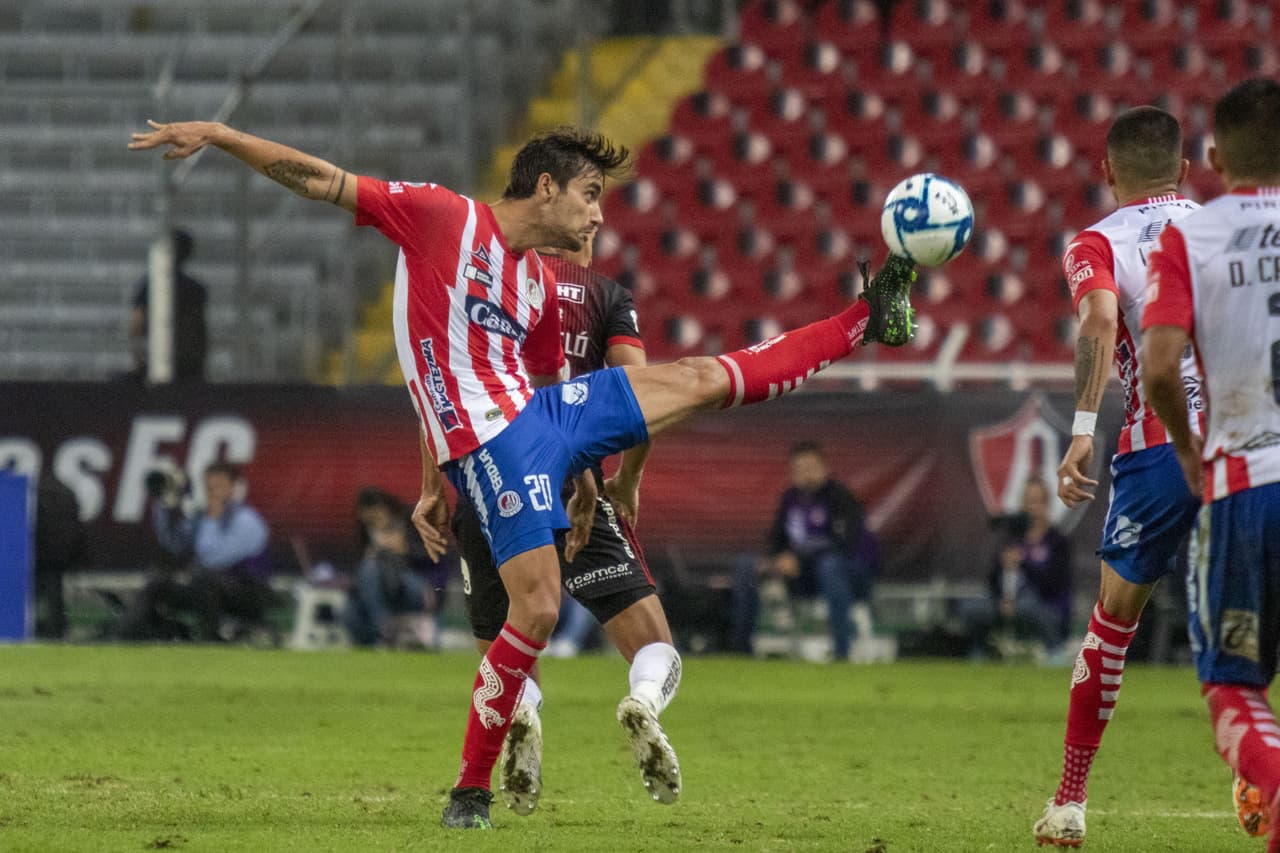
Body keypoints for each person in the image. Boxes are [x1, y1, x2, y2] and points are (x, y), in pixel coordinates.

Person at [127, 120, 917, 829]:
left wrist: (579, 474)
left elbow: (532, 380)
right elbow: (320, 176)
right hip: (487, 444)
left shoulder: (535, 285)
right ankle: (469, 788)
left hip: (542, 423)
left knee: (702, 378)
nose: (598, 215)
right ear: (545, 188)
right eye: (589, 195)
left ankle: (863, 318)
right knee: (536, 607)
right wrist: (226, 137)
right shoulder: (440, 217)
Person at [449, 235, 678, 816]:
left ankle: (523, 710)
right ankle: (644, 704)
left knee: (509, 648)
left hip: (491, 483)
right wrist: (627, 478)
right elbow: (639, 392)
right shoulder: (605, 296)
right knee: (654, 645)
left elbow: (443, 393)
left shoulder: (482, 287)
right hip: (577, 486)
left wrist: (432, 488)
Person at [1033, 106, 1209, 847]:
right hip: (1251, 443)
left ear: (1106, 172)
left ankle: (1070, 801)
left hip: (1159, 448)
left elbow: (1100, 321)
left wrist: (1079, 432)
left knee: (1112, 624)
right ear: (1189, 169)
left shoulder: (1096, 242)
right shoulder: (1231, 223)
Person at [1141, 77, 1280, 853]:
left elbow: (1162, 368)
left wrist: (1190, 454)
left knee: (1233, 683)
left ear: (1218, 158)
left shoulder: (1189, 238)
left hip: (1247, 487)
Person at [730, 440, 876, 661]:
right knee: (746, 564)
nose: (806, 474)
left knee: (829, 566)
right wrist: (775, 559)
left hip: (845, 576)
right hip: (800, 578)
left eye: (812, 468)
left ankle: (842, 651)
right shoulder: (790, 498)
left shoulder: (840, 496)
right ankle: (740, 649)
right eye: (800, 470)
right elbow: (776, 540)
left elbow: (844, 543)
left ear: (824, 468)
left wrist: (799, 558)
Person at [117, 461, 273, 642]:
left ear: (234, 488)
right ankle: (123, 635)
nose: (212, 492)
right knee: (157, 584)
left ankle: (209, 640)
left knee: (206, 582)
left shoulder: (247, 520)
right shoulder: (202, 518)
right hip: (206, 589)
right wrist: (165, 506)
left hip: (247, 592)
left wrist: (212, 518)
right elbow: (174, 543)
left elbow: (214, 560)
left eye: (218, 487)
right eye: (209, 487)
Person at [962, 476, 1072, 662]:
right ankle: (980, 651)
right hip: (1007, 604)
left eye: (1036, 501)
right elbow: (993, 582)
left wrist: (1025, 564)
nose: (1032, 507)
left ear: (1047, 504)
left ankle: (1054, 650)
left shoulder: (1056, 541)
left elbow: (1055, 584)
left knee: (1028, 606)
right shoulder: (1012, 540)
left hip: (1044, 606)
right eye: (1028, 501)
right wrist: (1002, 594)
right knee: (971, 608)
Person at [345, 487, 443, 648]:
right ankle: (382, 632)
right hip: (377, 588)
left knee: (370, 570)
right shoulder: (364, 533)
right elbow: (356, 568)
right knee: (350, 611)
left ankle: (385, 630)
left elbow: (436, 555)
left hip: (414, 582)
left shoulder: (412, 521)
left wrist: (404, 549)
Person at [129, 227, 209, 382]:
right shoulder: (195, 290)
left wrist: (140, 361)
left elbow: (136, 325)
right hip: (189, 369)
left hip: (160, 366)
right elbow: (200, 334)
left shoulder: (151, 286)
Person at [34, 471, 87, 639]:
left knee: (44, 590)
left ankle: (46, 628)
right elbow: (77, 530)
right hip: (59, 555)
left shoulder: (39, 497)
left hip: (42, 554)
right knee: (53, 591)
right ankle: (55, 629)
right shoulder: (65, 496)